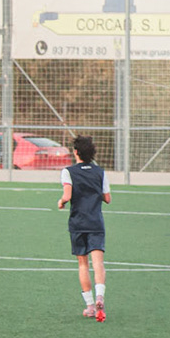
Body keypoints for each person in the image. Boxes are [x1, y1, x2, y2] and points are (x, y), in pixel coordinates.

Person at [57, 134, 111, 321]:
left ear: (76, 152)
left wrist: (61, 202)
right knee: (98, 263)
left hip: (78, 223)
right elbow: (107, 198)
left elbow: (67, 195)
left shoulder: (68, 171)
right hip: (96, 222)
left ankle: (90, 306)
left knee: (83, 264)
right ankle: (100, 297)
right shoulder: (100, 172)